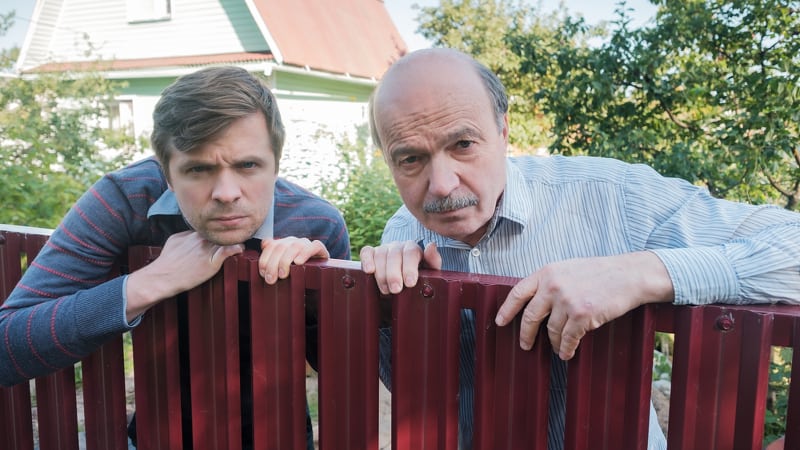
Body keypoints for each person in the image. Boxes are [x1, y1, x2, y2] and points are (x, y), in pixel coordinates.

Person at [359, 48, 800, 450]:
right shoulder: (405, 230)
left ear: (504, 130)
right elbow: (421, 395)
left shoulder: (613, 197)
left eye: (463, 144)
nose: (441, 185)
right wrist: (386, 316)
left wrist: (639, 273)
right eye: (411, 159)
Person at [0, 66, 349, 449]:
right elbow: (7, 344)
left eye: (248, 165)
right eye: (199, 169)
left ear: (276, 163)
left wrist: (323, 293)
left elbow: (342, 370)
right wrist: (149, 282)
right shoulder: (125, 200)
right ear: (166, 173)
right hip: (153, 438)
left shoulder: (316, 222)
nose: (227, 192)